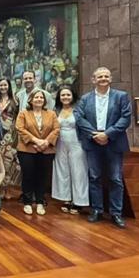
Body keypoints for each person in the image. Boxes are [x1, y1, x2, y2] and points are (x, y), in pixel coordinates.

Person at [74, 67, 131, 228]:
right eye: (100, 76)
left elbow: (125, 118)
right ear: (94, 79)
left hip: (113, 142)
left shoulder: (121, 96)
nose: (103, 79)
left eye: (106, 76)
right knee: (94, 177)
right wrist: (94, 134)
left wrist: (107, 134)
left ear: (110, 79)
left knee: (115, 178)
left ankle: (116, 213)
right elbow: (79, 117)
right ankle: (97, 210)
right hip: (93, 143)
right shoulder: (85, 99)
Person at [15, 90, 60, 216]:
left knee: (42, 176)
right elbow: (20, 128)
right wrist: (35, 140)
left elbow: (56, 129)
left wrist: (45, 142)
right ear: (30, 100)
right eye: (36, 97)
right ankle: (27, 202)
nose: (39, 99)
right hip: (27, 149)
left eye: (41, 97)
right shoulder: (23, 113)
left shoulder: (51, 114)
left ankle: (40, 202)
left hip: (46, 150)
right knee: (28, 175)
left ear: (44, 101)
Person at [52, 86, 89, 214]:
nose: (65, 97)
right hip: (60, 143)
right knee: (62, 170)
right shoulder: (56, 110)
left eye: (68, 95)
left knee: (78, 171)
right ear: (59, 97)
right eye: (63, 95)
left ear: (72, 96)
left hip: (77, 142)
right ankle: (65, 199)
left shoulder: (79, 110)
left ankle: (79, 202)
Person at [0, 78, 21, 200]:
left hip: (10, 134)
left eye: (5, 85)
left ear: (9, 86)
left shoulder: (15, 100)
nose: (3, 87)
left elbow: (18, 117)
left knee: (8, 162)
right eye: (1, 85)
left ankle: (6, 188)